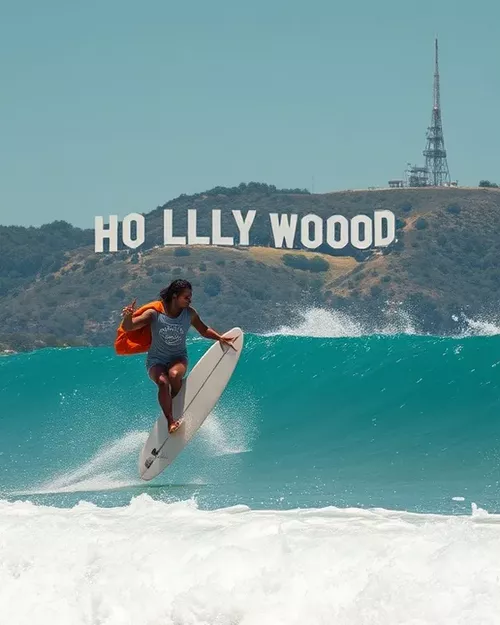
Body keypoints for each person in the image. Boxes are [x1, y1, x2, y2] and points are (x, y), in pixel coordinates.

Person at [120, 279, 236, 433]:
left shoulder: (189, 314)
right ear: (175, 296)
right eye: (186, 297)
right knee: (163, 382)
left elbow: (203, 329)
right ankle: (170, 421)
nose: (190, 300)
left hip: (178, 358)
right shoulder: (155, 313)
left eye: (190, 297)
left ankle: (177, 403)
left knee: (174, 376)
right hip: (156, 360)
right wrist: (128, 316)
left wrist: (219, 337)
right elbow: (129, 326)